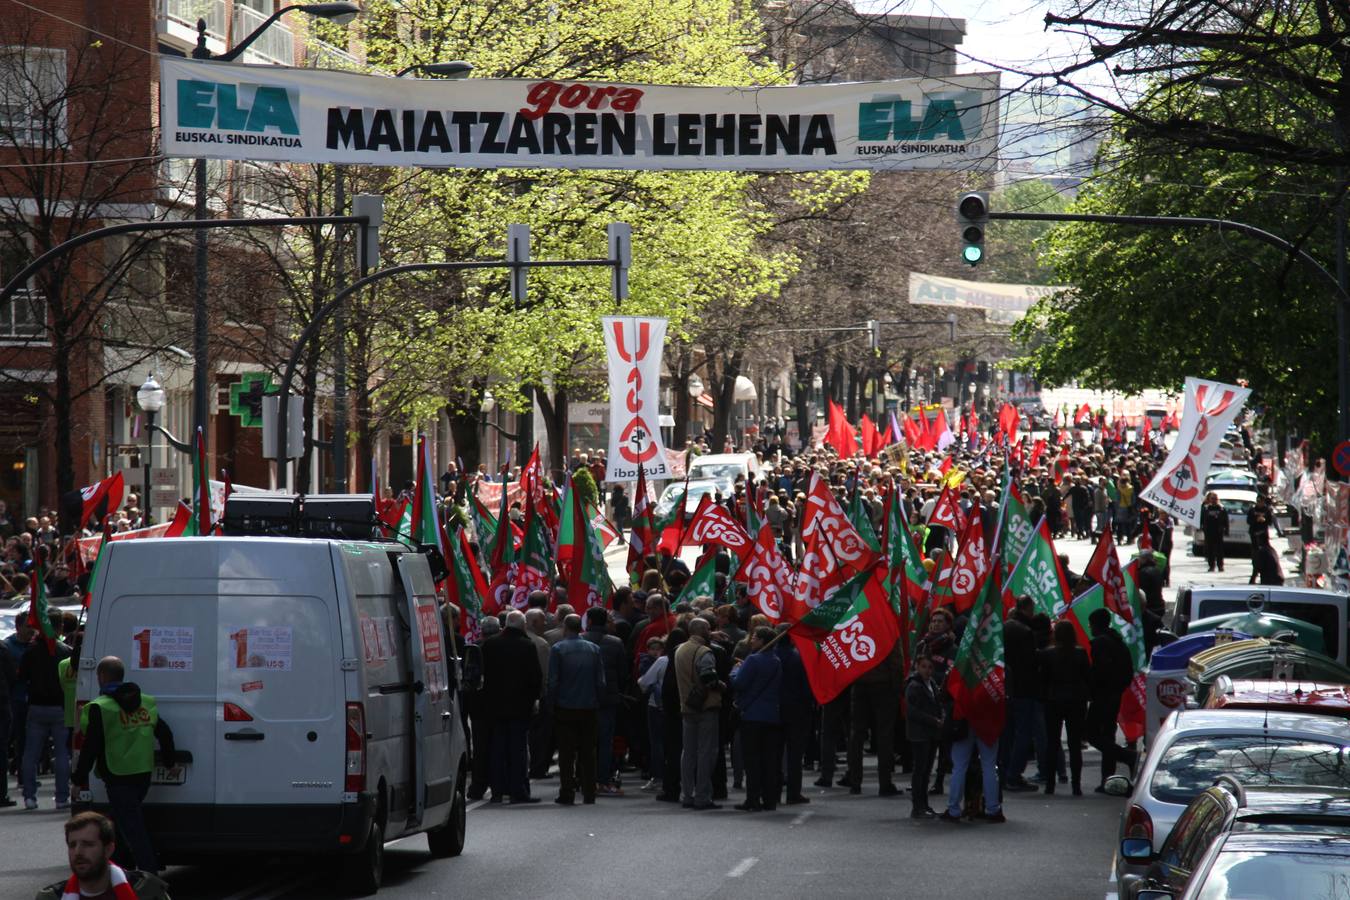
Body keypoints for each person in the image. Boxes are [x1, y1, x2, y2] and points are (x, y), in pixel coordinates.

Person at [72, 657, 176, 875]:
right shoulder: (145, 702)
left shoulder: (100, 708)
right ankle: (120, 870)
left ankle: (150, 875)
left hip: (117, 774)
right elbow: (164, 733)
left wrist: (79, 780)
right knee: (120, 822)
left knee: (133, 828)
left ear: (101, 677)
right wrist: (169, 762)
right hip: (143, 774)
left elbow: (91, 747)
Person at [479, 610, 542, 804]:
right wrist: (534, 700)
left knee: (497, 748)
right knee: (519, 750)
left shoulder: (489, 645)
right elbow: (535, 677)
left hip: (495, 706)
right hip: (520, 707)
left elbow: (482, 675)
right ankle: (518, 791)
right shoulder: (527, 646)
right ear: (523, 626)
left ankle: (497, 791)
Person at [35, 811, 170, 900]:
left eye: (88, 844)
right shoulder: (52, 897)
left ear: (108, 850)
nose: (78, 852)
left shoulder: (145, 892)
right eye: (72, 845)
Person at [547, 614, 604, 805]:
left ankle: (567, 792)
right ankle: (589, 792)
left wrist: (551, 704)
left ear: (565, 628)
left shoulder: (558, 649)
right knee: (588, 752)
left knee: (566, 753)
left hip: (565, 707)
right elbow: (600, 681)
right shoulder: (594, 649)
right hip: (589, 706)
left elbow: (553, 681)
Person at [20, 617, 71, 810]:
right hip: (59, 707)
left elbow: (22, 677)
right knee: (61, 754)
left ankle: (30, 797)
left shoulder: (31, 651)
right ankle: (61, 797)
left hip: (36, 706)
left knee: (30, 754)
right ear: (59, 627)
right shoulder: (66, 651)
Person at [731, 626, 782, 812]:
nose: (751, 640)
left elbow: (739, 683)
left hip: (752, 715)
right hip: (771, 716)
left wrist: (735, 671)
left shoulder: (752, 660)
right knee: (769, 760)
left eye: (754, 638)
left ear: (762, 641)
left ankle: (752, 799)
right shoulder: (776, 661)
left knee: (752, 760)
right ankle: (769, 799)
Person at [1086, 608, 1138, 792]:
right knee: (1106, 735)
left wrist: (1092, 688)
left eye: (1091, 624)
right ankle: (1108, 780)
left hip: (1103, 695)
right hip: (1113, 694)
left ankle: (1128, 757)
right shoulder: (1117, 642)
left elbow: (1099, 672)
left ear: (1097, 624)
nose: (1089, 627)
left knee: (1091, 733)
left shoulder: (1102, 644)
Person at [675, 617, 723, 810]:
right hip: (705, 707)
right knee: (706, 753)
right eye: (708, 629)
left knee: (688, 753)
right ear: (702, 630)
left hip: (687, 706)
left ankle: (686, 794)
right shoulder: (705, 652)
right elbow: (709, 678)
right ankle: (702, 795)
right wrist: (722, 685)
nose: (710, 631)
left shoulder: (679, 650)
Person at [844, 641, 903, 797]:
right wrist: (897, 691)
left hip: (859, 683)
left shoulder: (860, 625)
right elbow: (896, 662)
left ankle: (854, 782)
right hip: (883, 685)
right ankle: (885, 783)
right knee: (885, 735)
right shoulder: (887, 631)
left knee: (856, 735)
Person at [1040, 619, 1091, 795]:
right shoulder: (1080, 653)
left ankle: (1050, 784)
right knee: (1075, 744)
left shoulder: (1048, 654)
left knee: (1052, 743)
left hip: (1053, 700)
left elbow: (1043, 679)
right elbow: (1087, 676)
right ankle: (1076, 784)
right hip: (1076, 700)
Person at [582, 607, 628, 795]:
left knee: (586, 741)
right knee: (606, 741)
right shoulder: (616, 643)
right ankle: (602, 778)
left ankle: (585, 778)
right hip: (609, 698)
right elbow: (623, 673)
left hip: (584, 698)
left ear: (590, 622)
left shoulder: (581, 641)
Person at [1000, 595, 1040, 792]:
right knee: (1023, 734)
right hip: (1024, 689)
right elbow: (1030, 663)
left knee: (1007, 734)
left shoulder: (1005, 627)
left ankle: (1006, 771)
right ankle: (1013, 775)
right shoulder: (1025, 631)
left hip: (1006, 687)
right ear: (1028, 609)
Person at [905, 654, 944, 819]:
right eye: (923, 667)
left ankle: (924, 804)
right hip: (920, 733)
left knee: (926, 771)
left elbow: (938, 703)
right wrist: (933, 720)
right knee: (919, 771)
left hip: (931, 733)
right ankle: (917, 806)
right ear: (917, 667)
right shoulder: (914, 686)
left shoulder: (932, 684)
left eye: (930, 667)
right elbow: (913, 712)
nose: (927, 671)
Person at [1199, 492, 1229, 573]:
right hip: (1209, 531)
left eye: (1215, 499)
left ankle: (1220, 566)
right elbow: (1202, 519)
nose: (1214, 500)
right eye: (1212, 499)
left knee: (1219, 550)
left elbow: (1226, 520)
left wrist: (1226, 530)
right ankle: (1211, 566)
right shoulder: (1206, 508)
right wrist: (1201, 527)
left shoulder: (1221, 508)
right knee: (1210, 549)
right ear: (1209, 499)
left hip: (1218, 532)